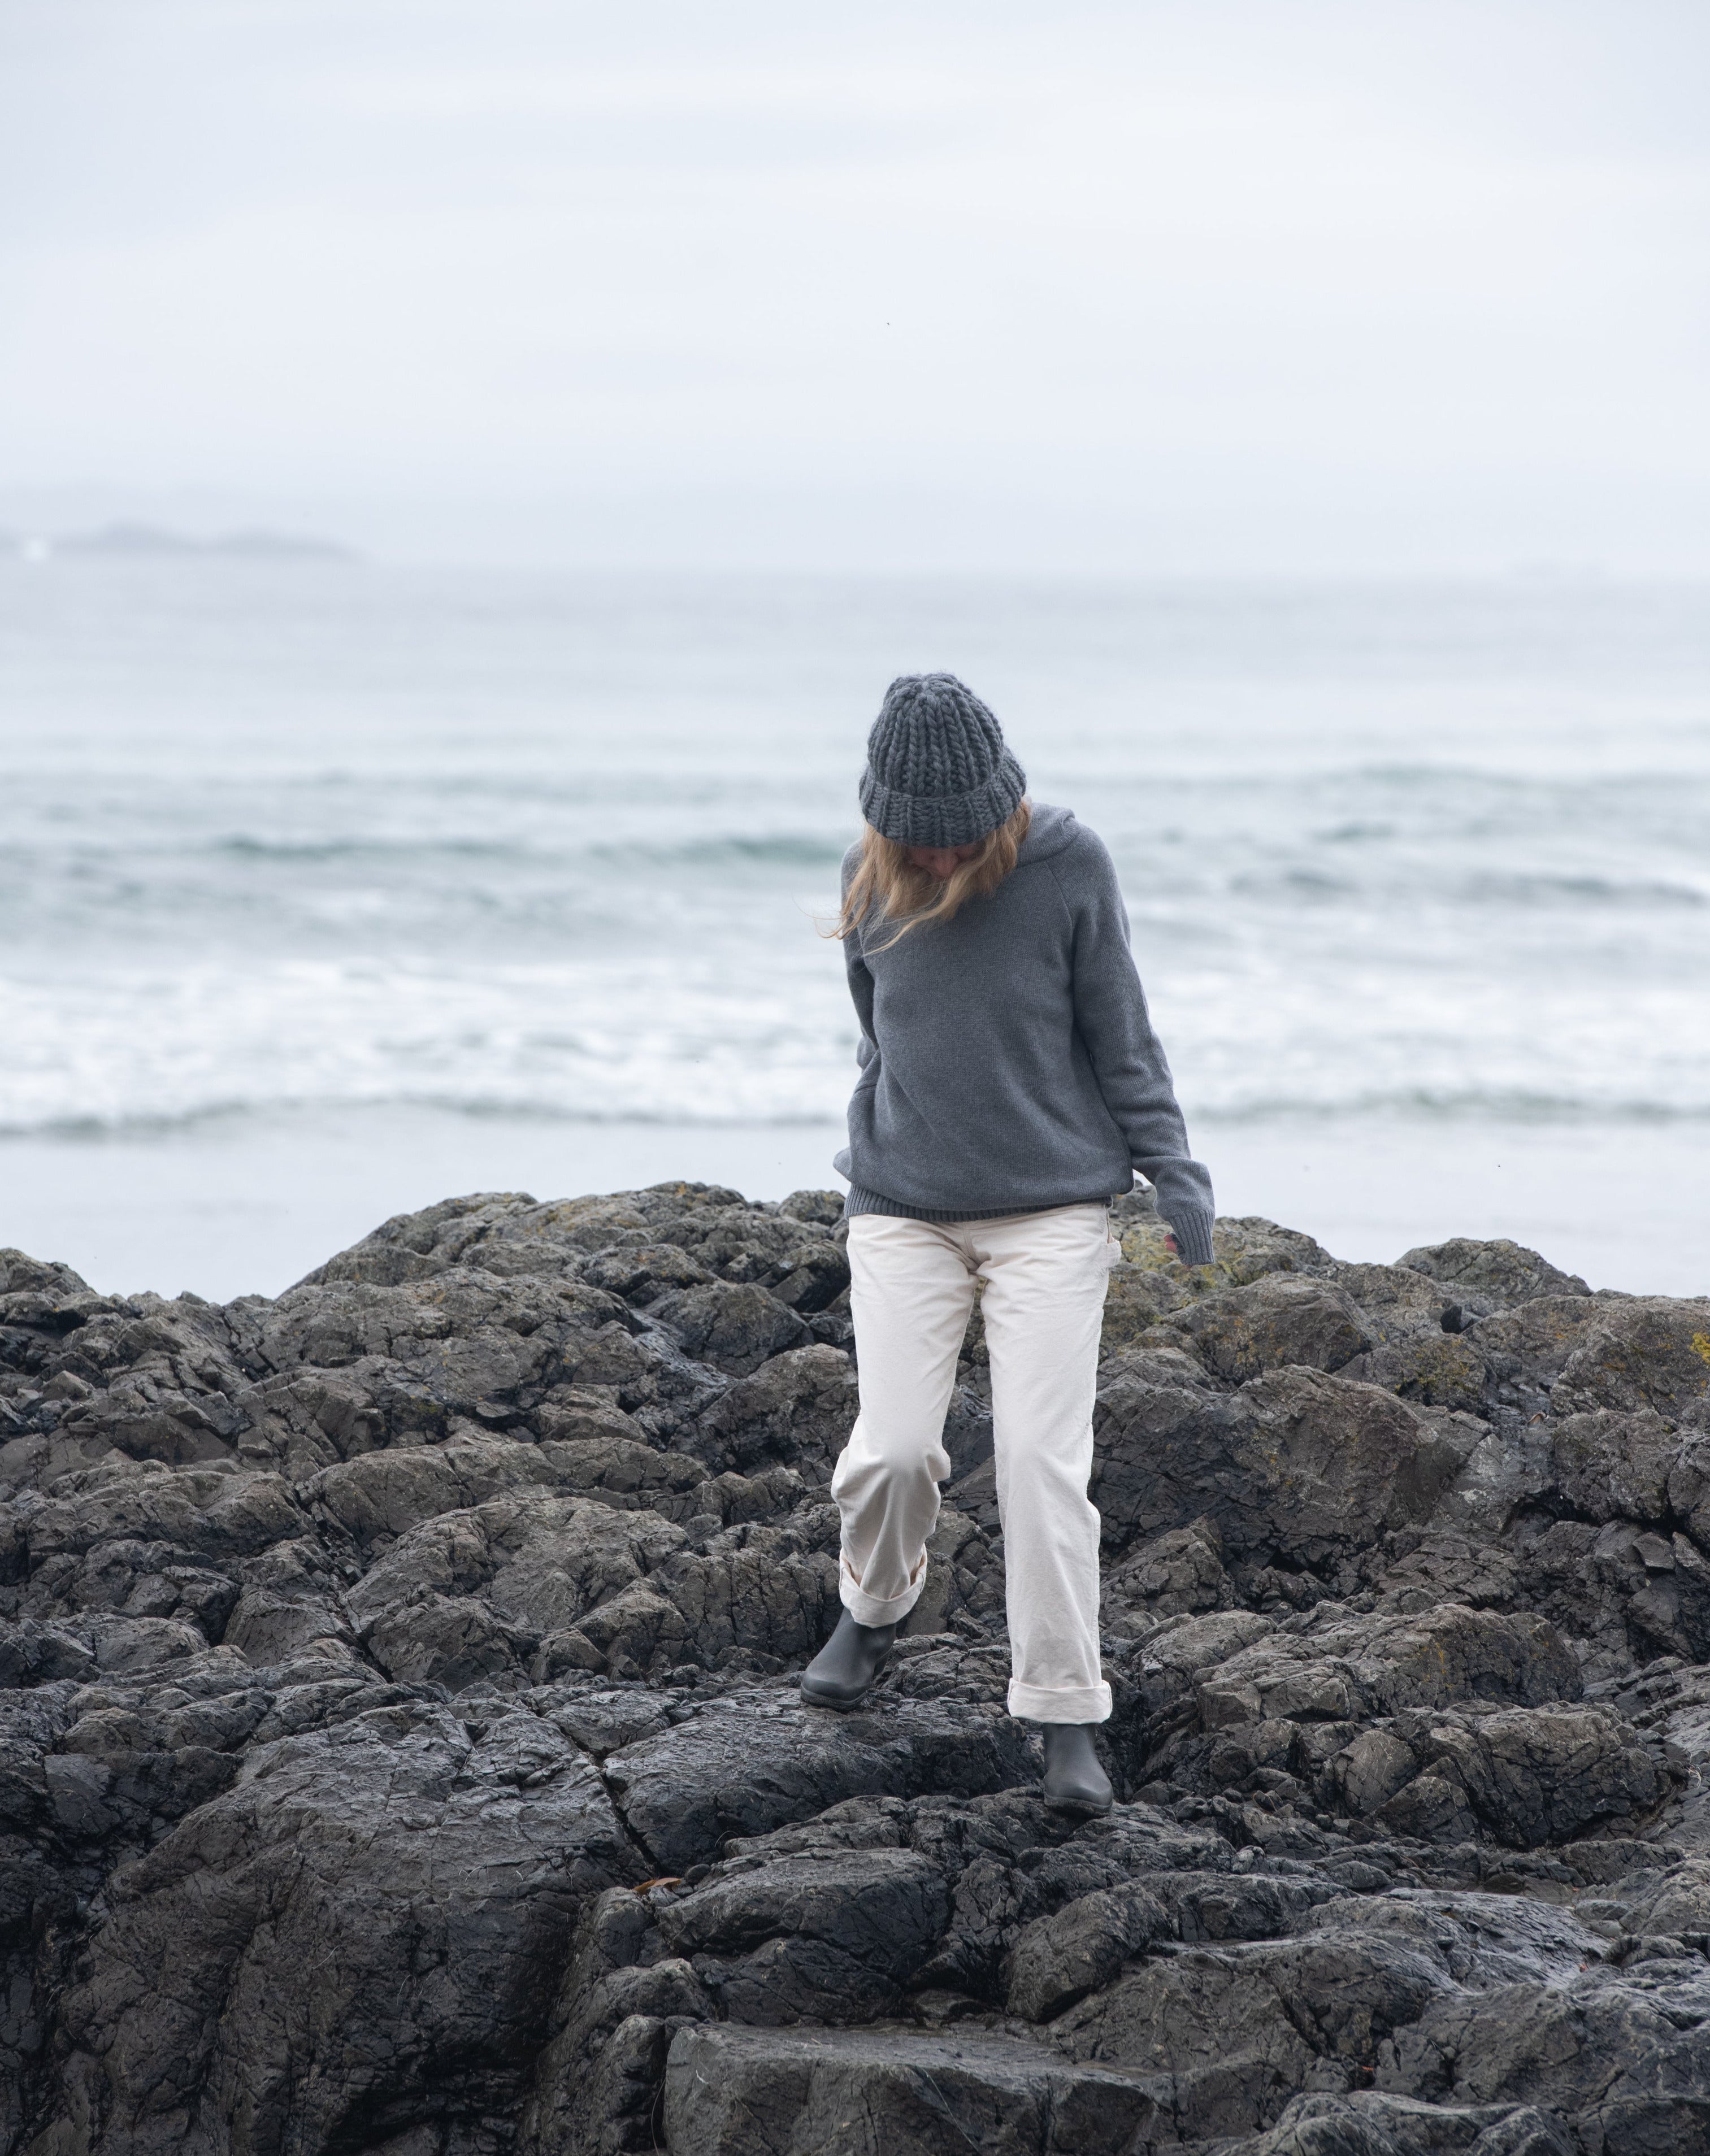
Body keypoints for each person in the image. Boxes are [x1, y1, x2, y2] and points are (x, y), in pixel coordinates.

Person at [801, 672, 1216, 1815]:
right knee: (891, 1453)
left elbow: (1121, 1036)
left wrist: (1172, 1170)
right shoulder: (866, 878)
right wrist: (886, 1149)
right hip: (900, 1210)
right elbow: (880, 1038)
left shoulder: (1068, 868)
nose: (936, 863)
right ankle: (874, 1610)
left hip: (1051, 1213)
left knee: (1038, 1466)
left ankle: (1065, 1713)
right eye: (916, 844)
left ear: (999, 810)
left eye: (957, 843)